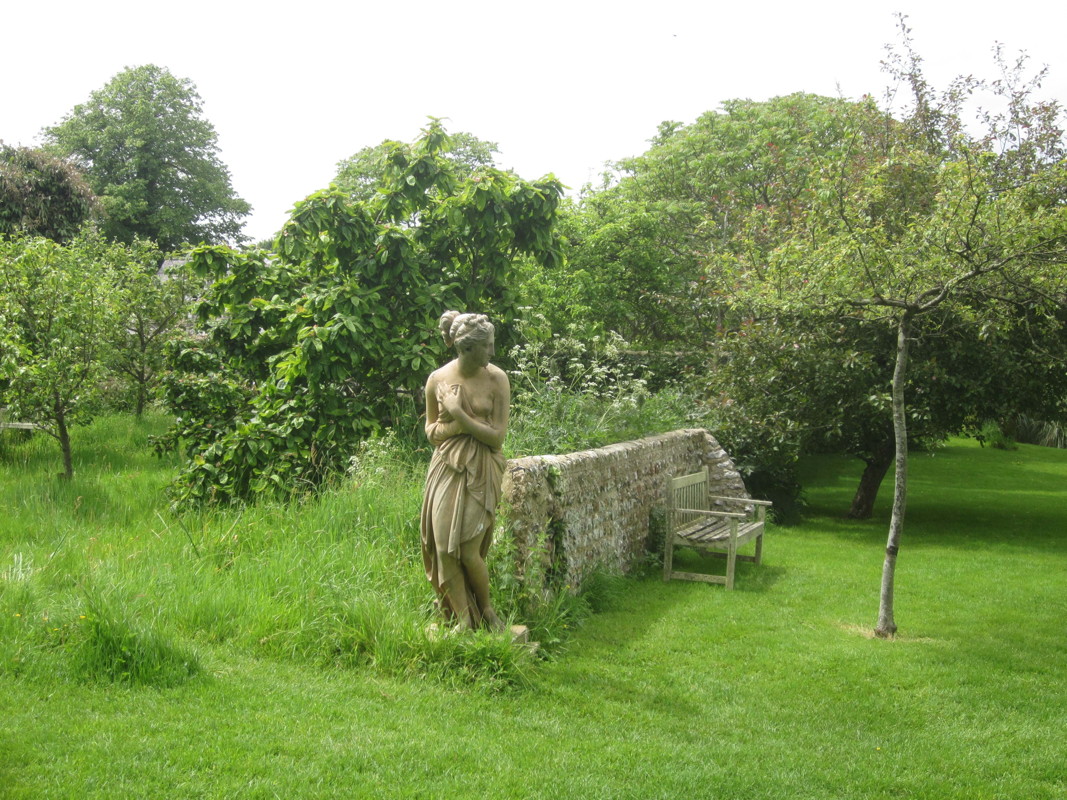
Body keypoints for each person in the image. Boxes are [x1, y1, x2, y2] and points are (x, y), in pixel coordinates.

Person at [420, 311, 510, 631]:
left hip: (483, 467)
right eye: (487, 346)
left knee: (470, 550)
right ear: (466, 348)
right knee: (443, 548)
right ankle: (462, 619)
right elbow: (431, 432)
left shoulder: (497, 379)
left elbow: (497, 437)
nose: (492, 352)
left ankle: (487, 611)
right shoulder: (437, 379)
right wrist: (457, 427)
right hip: (446, 467)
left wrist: (458, 414)